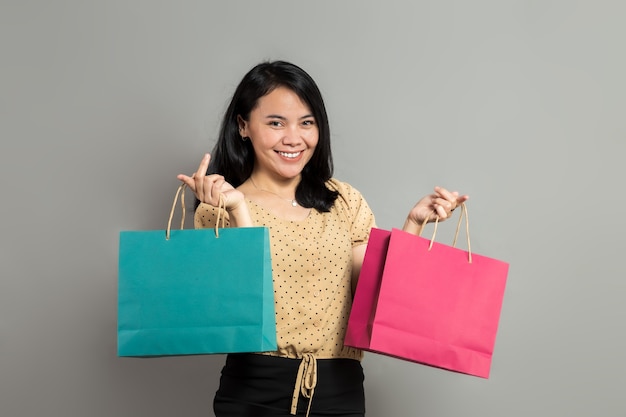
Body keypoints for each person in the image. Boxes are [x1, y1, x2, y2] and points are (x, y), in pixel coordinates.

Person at [177, 60, 468, 417]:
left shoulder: (344, 200)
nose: (293, 138)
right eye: (275, 123)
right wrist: (239, 210)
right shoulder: (217, 210)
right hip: (255, 388)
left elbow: (372, 295)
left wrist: (413, 224)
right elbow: (245, 306)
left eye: (307, 122)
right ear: (243, 126)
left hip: (338, 388)